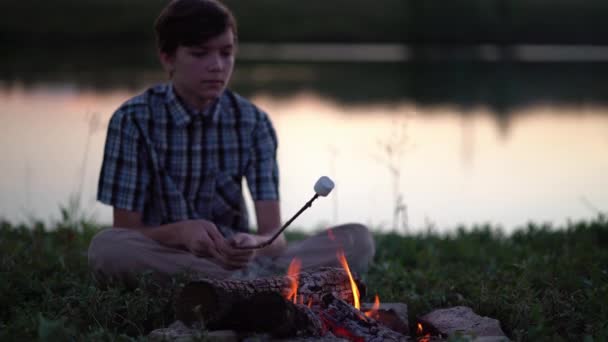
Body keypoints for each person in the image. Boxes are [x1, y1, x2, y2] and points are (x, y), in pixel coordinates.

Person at [88, 0, 374, 287]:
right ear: (167, 58)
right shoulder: (132, 119)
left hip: (242, 260)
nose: (217, 66)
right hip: (167, 255)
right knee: (107, 248)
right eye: (200, 54)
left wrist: (254, 244)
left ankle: (237, 283)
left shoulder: (253, 122)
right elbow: (126, 230)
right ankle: (254, 285)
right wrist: (181, 233)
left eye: (226, 53)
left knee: (358, 240)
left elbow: (274, 237)